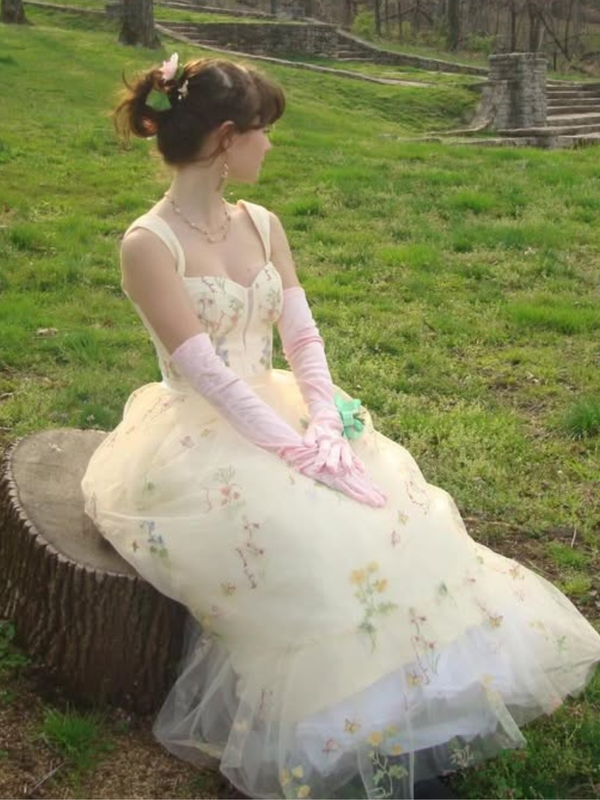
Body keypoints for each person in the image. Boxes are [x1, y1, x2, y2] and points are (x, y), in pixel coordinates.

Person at [81, 52, 600, 800]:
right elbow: (207, 374)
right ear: (226, 139)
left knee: (390, 510)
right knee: (301, 537)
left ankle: (421, 705)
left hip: (287, 407)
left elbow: (301, 335)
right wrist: (296, 451)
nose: (270, 144)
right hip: (201, 433)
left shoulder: (262, 223)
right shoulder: (148, 244)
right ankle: (347, 734)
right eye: (262, 130)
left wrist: (324, 422)